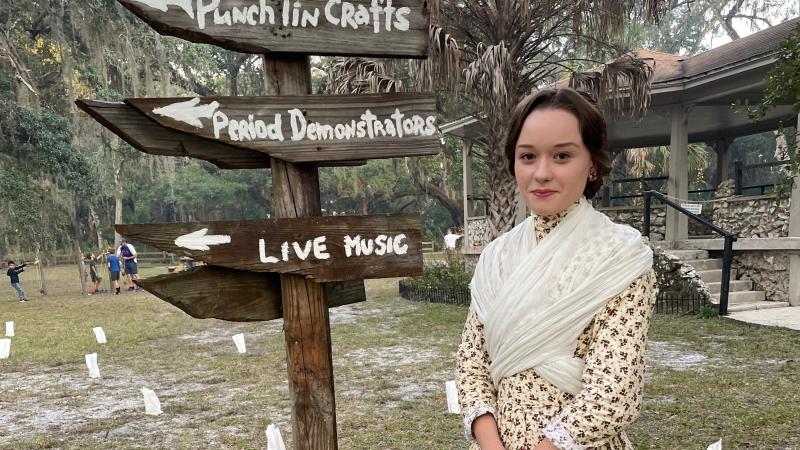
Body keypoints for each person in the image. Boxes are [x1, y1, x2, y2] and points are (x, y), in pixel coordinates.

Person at [457, 88, 656, 450]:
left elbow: (613, 392)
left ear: (592, 164)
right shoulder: (496, 257)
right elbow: (472, 364)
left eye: (562, 155)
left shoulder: (618, 257)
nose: (542, 173)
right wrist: (491, 444)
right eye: (528, 156)